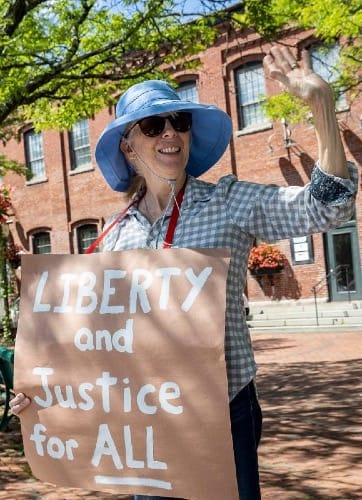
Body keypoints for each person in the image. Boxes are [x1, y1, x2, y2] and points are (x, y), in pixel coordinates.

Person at [10, 46, 357, 500]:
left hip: (222, 412)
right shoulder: (113, 237)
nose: (170, 132)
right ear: (129, 148)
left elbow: (327, 207)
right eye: (154, 126)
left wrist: (322, 104)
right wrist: (41, 392)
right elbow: (90, 341)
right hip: (143, 423)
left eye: (180, 122)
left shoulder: (231, 202)